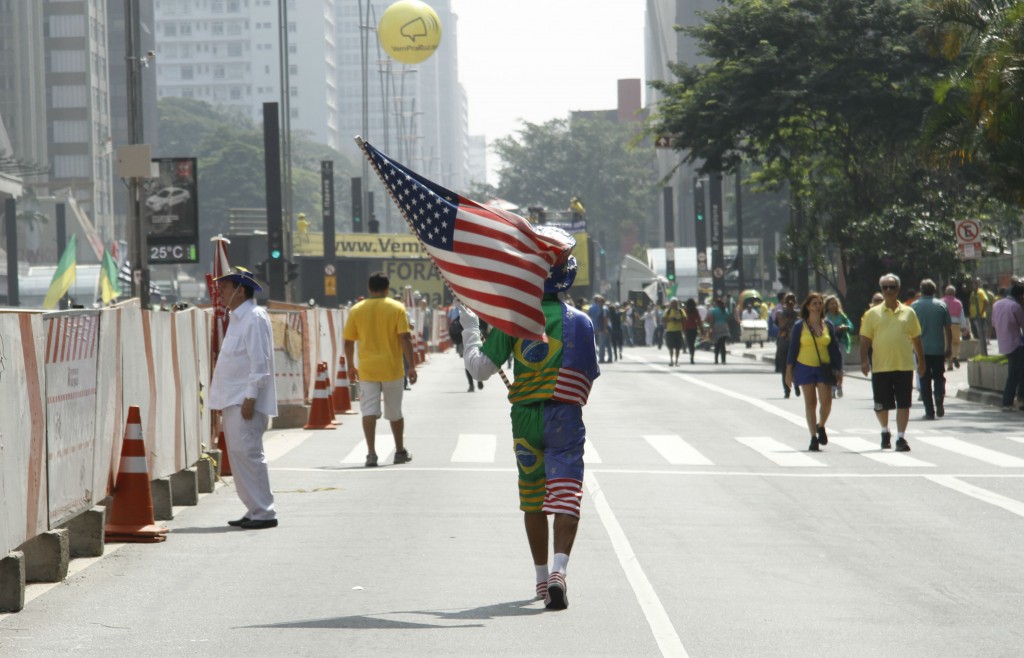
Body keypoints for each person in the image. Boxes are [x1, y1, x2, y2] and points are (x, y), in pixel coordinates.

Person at [461, 228, 599, 611]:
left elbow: (479, 369)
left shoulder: (513, 319)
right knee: (567, 493)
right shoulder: (582, 323)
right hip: (565, 418)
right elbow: (587, 378)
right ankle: (559, 570)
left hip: (524, 419)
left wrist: (470, 327)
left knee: (534, 500)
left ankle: (540, 581)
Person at [209, 266, 279, 530]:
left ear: (240, 291)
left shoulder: (254, 317)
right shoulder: (238, 319)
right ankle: (254, 508)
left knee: (249, 454)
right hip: (233, 399)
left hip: (244, 400)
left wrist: (251, 397)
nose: (221, 292)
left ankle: (264, 511)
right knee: (239, 455)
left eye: (225, 287)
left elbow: (259, 362)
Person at [342, 271, 417, 467]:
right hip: (392, 369)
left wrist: (351, 366)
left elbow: (348, 342)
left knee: (368, 412)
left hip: (367, 370)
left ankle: (371, 454)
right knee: (395, 412)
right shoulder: (396, 308)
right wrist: (412, 366)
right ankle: (400, 451)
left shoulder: (357, 310)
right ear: (387, 289)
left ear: (369, 288)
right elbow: (405, 337)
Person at [859, 274, 926, 452]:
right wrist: (864, 361)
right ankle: (884, 430)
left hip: (903, 365)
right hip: (881, 366)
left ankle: (901, 437)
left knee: (903, 403)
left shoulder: (909, 312)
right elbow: (865, 339)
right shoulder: (872, 314)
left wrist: (921, 362)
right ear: (881, 290)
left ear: (898, 289)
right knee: (881, 405)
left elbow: (916, 339)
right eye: (885, 287)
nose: (888, 290)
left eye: (892, 287)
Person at [785, 293, 843, 451]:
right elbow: (793, 349)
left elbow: (835, 349)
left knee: (827, 402)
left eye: (820, 303)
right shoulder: (800, 326)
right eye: (814, 303)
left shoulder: (828, 325)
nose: (818, 306)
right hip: (804, 367)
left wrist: (839, 369)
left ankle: (821, 425)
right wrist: (789, 371)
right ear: (808, 306)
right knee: (810, 403)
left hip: (824, 368)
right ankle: (813, 438)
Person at [911, 279, 952, 419]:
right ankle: (939, 396)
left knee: (924, 379)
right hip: (938, 349)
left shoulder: (915, 306)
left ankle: (929, 411)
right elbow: (948, 329)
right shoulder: (942, 305)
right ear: (934, 290)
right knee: (939, 376)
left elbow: (909, 330)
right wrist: (949, 346)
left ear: (921, 290)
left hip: (921, 350)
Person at [990, 282, 1024, 410]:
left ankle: (1020, 398)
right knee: (1014, 373)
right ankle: (1008, 401)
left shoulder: (997, 304)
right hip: (1016, 343)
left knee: (1019, 371)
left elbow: (993, 324)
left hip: (1003, 342)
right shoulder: (1016, 307)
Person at [774, 293, 799, 397]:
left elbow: (778, 324)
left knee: (785, 368)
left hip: (784, 342)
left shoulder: (781, 313)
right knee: (795, 366)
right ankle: (794, 385)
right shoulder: (797, 314)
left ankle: (788, 390)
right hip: (793, 342)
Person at [942, 285, 967, 370]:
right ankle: (955, 356)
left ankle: (949, 365)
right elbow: (962, 315)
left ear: (945, 292)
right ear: (954, 293)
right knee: (956, 342)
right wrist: (963, 327)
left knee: (947, 344)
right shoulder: (958, 302)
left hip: (945, 325)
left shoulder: (942, 302)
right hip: (956, 324)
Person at [969, 278, 991, 356]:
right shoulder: (972, 293)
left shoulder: (980, 292)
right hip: (973, 316)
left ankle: (983, 351)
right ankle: (979, 351)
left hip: (979, 317)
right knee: (976, 334)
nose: (973, 285)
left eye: (975, 284)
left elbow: (986, 302)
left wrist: (981, 313)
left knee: (980, 333)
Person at [588, 295, 612, 363]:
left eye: (599, 302)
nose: (598, 303)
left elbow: (605, 319)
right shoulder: (604, 308)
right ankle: (610, 357)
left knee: (602, 344)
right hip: (604, 328)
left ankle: (601, 358)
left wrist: (605, 328)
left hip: (603, 328)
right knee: (608, 343)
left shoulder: (603, 309)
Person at [663, 298, 685, 366]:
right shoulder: (668, 311)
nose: (674, 304)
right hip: (670, 331)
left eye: (675, 303)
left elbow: (685, 319)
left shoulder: (681, 311)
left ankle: (676, 361)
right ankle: (671, 360)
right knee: (671, 347)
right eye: (672, 303)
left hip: (678, 331)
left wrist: (678, 320)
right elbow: (664, 319)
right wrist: (670, 319)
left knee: (678, 347)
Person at [709, 297, 731, 364]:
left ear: (716, 304)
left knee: (717, 344)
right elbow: (728, 319)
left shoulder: (714, 310)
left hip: (717, 328)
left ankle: (716, 359)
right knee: (722, 345)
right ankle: (723, 360)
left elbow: (712, 321)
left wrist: (710, 328)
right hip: (724, 327)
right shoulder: (726, 310)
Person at [683, 298, 701, 364]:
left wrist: (682, 328)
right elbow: (699, 320)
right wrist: (701, 328)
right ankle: (692, 356)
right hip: (694, 328)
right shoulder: (695, 310)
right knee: (693, 343)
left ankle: (691, 353)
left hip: (687, 328)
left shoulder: (685, 310)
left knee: (689, 342)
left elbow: (683, 320)